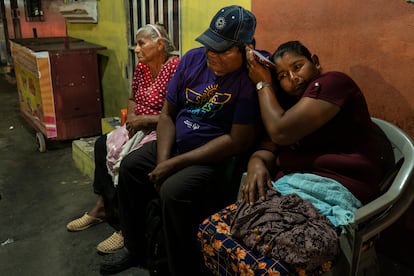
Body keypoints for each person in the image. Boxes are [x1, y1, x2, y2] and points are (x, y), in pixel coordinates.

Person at [99, 5, 260, 275]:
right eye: (210, 46)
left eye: (222, 50)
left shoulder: (248, 77)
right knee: (131, 167)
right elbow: (167, 115)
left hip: (212, 158)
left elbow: (236, 141)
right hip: (177, 143)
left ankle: (178, 268)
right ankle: (136, 248)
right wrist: (163, 162)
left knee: (173, 191)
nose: (212, 56)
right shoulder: (192, 60)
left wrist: (173, 166)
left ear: (245, 49)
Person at [66, 23, 180, 254]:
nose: (136, 49)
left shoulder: (175, 68)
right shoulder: (142, 67)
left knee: (131, 163)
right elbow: (132, 98)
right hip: (139, 125)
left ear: (159, 45)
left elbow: (175, 113)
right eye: (135, 44)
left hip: (161, 128)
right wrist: (132, 119)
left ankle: (127, 229)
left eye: (141, 44)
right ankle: (103, 207)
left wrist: (145, 121)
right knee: (101, 144)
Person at [242, 40, 384, 206]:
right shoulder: (288, 105)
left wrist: (262, 84)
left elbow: (280, 132)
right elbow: (269, 147)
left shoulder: (334, 83)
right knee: (219, 226)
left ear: (315, 62)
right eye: (283, 76)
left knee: (272, 227)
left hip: (336, 185)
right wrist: (256, 161)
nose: (294, 78)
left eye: (297, 67)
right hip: (290, 186)